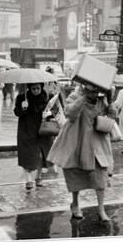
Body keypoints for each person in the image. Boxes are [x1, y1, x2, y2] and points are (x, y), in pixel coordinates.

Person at [47, 83, 116, 223]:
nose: (95, 94)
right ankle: (75, 204)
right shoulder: (75, 96)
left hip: (98, 144)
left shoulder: (102, 99)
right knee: (76, 175)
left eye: (97, 91)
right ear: (85, 87)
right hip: (78, 142)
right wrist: (83, 98)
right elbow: (69, 113)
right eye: (92, 91)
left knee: (101, 177)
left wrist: (110, 101)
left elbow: (113, 116)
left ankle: (101, 209)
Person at [14, 83, 54, 190]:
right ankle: (28, 179)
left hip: (42, 130)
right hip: (27, 129)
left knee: (41, 155)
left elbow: (54, 112)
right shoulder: (22, 97)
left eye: (38, 88)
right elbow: (16, 112)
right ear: (29, 88)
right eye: (33, 88)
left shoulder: (47, 97)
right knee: (28, 154)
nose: (36, 91)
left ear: (41, 87)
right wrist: (23, 108)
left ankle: (38, 177)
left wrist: (49, 113)